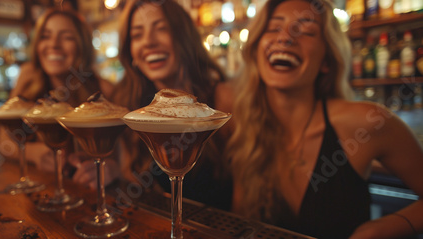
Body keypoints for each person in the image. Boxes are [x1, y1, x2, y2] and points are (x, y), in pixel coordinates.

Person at [226, 0, 423, 238]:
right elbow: (238, 223)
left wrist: (377, 230)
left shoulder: (366, 122)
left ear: (327, 61)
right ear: (257, 50)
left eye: (307, 30)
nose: (285, 37)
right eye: (273, 28)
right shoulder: (246, 130)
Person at [112, 0, 235, 210]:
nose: (148, 42)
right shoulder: (129, 104)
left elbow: (245, 192)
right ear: (130, 52)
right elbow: (132, 179)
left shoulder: (223, 100)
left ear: (183, 36)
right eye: (137, 34)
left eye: (162, 29)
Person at [0, 8, 115, 180]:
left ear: (82, 44)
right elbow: (4, 143)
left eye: (67, 37)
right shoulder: (27, 78)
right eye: (45, 36)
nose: (53, 45)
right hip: (43, 189)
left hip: (86, 192)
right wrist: (35, 154)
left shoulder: (104, 89)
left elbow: (123, 158)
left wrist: (110, 168)